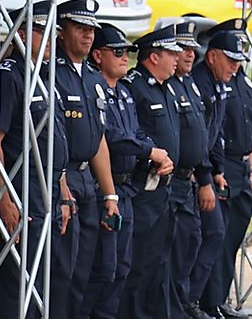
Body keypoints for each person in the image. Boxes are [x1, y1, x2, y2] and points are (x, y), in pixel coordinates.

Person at [81, 23, 172, 319]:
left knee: (121, 268)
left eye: (127, 52)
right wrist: (149, 151)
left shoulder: (123, 92)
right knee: (102, 269)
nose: (125, 58)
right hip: (101, 189)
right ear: (98, 56)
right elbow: (109, 136)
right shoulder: (94, 88)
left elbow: (136, 132)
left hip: (127, 189)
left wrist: (155, 152)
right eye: (118, 52)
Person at [0, 1, 74, 319]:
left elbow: (55, 142)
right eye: (43, 32)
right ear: (22, 35)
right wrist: (4, 199)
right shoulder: (11, 76)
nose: (53, 40)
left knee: (45, 281)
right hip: (23, 189)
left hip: (50, 189)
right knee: (20, 280)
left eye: (53, 33)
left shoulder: (44, 77)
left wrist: (64, 191)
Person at [53, 0, 120, 318]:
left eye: (91, 29)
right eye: (79, 28)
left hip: (88, 181)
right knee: (62, 271)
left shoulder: (93, 78)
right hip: (61, 176)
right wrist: (61, 185)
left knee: (85, 271)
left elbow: (99, 140)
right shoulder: (52, 73)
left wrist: (109, 193)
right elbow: (53, 139)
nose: (88, 35)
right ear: (62, 32)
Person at [116, 25, 182, 319]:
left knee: (157, 262)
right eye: (171, 54)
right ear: (154, 57)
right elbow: (133, 132)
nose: (177, 59)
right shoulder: (135, 86)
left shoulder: (164, 87)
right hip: (143, 186)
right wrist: (154, 153)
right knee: (138, 262)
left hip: (164, 188)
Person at [189, 29, 247, 319]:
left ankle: (199, 302)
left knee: (215, 234)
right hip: (192, 176)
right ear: (212, 57)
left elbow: (215, 136)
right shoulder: (199, 83)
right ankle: (190, 302)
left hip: (210, 172)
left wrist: (218, 170)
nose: (235, 66)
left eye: (239, 60)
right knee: (206, 235)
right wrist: (205, 177)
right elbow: (197, 138)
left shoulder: (219, 83)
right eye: (230, 59)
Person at [201, 20, 252, 319]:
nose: (238, 58)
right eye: (233, 51)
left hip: (241, 167)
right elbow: (214, 130)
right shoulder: (215, 84)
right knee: (217, 240)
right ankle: (208, 302)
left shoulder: (243, 82)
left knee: (232, 239)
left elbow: (251, 129)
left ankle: (219, 299)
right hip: (223, 166)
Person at [165, 21, 211, 319]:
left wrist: (203, 175)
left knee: (190, 242)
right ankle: (175, 306)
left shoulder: (189, 83)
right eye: (183, 49)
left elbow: (200, 135)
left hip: (190, 181)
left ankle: (183, 303)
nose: (190, 55)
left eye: (193, 49)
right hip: (171, 181)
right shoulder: (167, 84)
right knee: (174, 248)